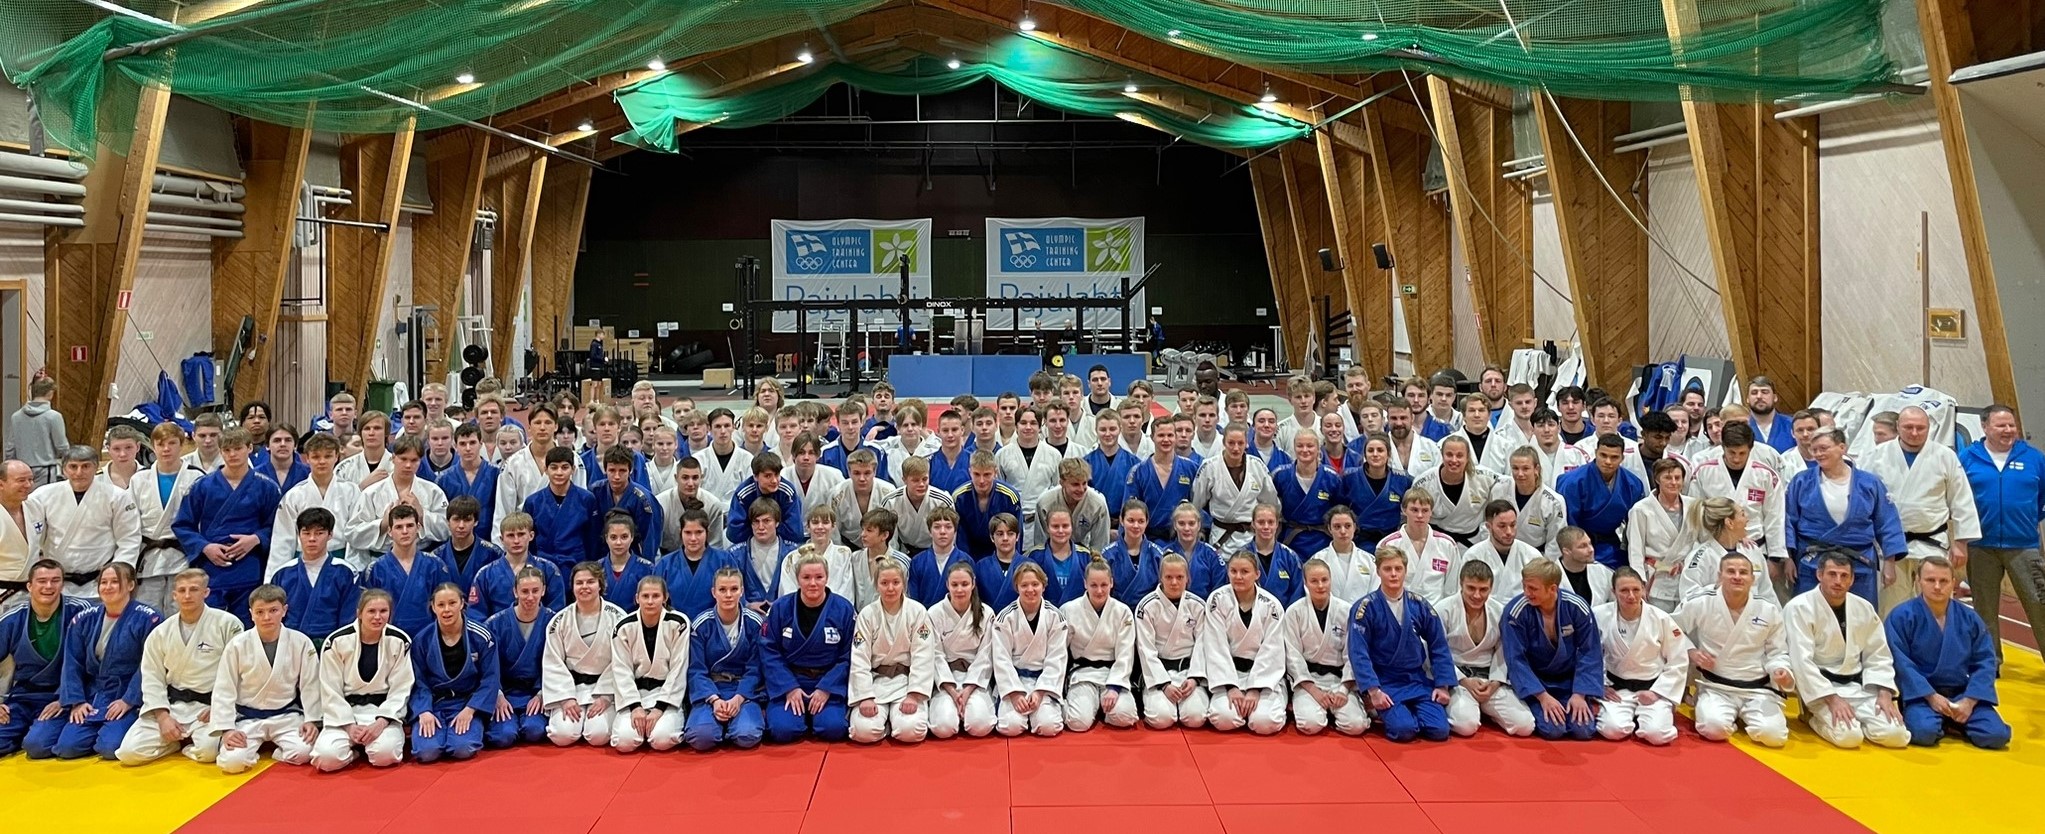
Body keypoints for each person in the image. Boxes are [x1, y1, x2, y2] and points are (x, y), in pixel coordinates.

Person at [113, 569, 242, 765]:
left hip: (209, 708)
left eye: (194, 589)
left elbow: (238, 671)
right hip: (172, 706)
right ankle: (173, 742)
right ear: (174, 595)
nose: (187, 595)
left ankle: (187, 745)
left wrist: (220, 706)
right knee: (129, 753)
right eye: (182, 590)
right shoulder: (160, 633)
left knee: (207, 753)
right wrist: (163, 717)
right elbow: (152, 678)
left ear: (206, 592)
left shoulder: (228, 624)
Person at [1781, 552, 1909, 749]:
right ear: (1819, 575)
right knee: (1849, 737)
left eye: (1844, 576)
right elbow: (1801, 661)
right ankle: (1811, 716)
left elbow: (1878, 655)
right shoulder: (1798, 607)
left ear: (1852, 580)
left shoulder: (1863, 608)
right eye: (1832, 574)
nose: (1838, 581)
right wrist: (1832, 699)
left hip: (1859, 688)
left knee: (1897, 735)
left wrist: (1884, 694)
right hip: (1822, 690)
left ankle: (1858, 720)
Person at [1859, 408, 1979, 615]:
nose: (1914, 432)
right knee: (1891, 608)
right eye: (1908, 427)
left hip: (1933, 543)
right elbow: (1863, 500)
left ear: (1928, 428)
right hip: (1890, 547)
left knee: (1937, 604)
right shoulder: (1876, 456)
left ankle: (1936, 637)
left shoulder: (1945, 456)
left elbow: (1961, 499)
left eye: (1920, 428)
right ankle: (1893, 638)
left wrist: (1961, 543)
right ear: (1898, 427)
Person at [1885, 556, 2009, 748]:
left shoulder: (1970, 618)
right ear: (1918, 581)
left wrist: (1970, 701)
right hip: (1922, 695)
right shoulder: (1901, 616)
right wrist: (1931, 696)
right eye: (1930, 580)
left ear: (1953, 582)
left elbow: (1985, 661)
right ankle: (1944, 720)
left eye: (1943, 581)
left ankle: (1952, 719)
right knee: (1923, 733)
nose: (1937, 586)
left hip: (1962, 693)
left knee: (1996, 735)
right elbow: (1901, 663)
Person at [1673, 552, 1793, 746]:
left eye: (1743, 572)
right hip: (1716, 686)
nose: (1737, 577)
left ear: (1753, 578)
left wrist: (1781, 670)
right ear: (1719, 576)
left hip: (1758, 689)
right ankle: (1727, 714)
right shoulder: (1701, 601)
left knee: (1774, 737)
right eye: (1731, 571)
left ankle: (1743, 715)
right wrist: (1691, 652)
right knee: (1712, 729)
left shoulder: (1768, 609)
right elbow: (1671, 629)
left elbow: (1777, 651)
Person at [49, 564, 163, 759]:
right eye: (103, 582)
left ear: (130, 585)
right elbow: (72, 664)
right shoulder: (84, 619)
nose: (108, 587)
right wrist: (77, 701)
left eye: (115, 582)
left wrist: (129, 700)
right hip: (94, 694)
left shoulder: (149, 618)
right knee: (68, 747)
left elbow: (151, 665)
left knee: (109, 748)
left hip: (127, 693)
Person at [1958, 404, 2045, 657]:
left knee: (2040, 604)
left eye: (2011, 425)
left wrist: (2028, 519)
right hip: (1980, 547)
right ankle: (1989, 662)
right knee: (1984, 610)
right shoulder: (1967, 458)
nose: (2008, 430)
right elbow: (1958, 497)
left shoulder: (2035, 458)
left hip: (2025, 546)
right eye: (2001, 425)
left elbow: (2042, 498)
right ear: (1985, 426)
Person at [209, 584, 322, 773]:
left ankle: (277, 753)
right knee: (232, 763)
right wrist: (227, 729)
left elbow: (311, 684)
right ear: (251, 614)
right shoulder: (237, 645)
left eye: (273, 610)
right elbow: (224, 688)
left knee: (306, 752)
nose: (267, 617)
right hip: (247, 718)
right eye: (260, 612)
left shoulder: (301, 642)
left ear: (284, 610)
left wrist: (312, 719)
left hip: (286, 716)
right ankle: (249, 753)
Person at [173, 428, 283, 622]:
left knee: (247, 626)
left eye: (238, 449)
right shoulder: (202, 486)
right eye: (227, 450)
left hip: (250, 569)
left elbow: (278, 527)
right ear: (221, 451)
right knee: (211, 625)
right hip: (212, 569)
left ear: (249, 448)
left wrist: (256, 538)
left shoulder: (267, 487)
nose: (232, 454)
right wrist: (205, 547)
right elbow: (182, 525)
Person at [1786, 428, 1906, 604]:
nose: (1818, 454)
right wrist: (1788, 558)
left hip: (1859, 561)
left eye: (1823, 448)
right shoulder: (1801, 481)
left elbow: (1887, 522)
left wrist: (1889, 562)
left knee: (1860, 613)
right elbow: (1789, 521)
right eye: (1814, 449)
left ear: (1842, 448)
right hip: (1813, 562)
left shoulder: (1869, 483)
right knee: (1809, 612)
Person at [1348, 549, 1454, 741]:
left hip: (1416, 679)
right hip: (1385, 682)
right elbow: (1358, 653)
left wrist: (1443, 684)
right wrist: (1373, 691)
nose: (1393, 574)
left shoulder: (1419, 605)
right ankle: (1385, 711)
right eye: (1387, 569)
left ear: (1406, 571)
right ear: (1378, 571)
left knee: (1439, 730)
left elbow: (1438, 645)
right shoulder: (1365, 608)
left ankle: (1410, 713)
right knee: (1404, 730)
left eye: (1398, 568)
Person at [1499, 559, 1602, 740]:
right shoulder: (1515, 612)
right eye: (1524, 586)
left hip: (1570, 682)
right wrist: (1542, 697)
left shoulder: (1577, 607)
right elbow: (1515, 659)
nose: (1526, 593)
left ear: (1552, 588)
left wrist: (1580, 694)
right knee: (1553, 729)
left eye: (1533, 588)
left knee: (1583, 730)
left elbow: (1589, 651)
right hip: (1536, 682)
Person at [310, 590, 412, 770]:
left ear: (390, 613)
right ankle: (355, 753)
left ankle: (368, 746)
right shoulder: (337, 641)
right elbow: (330, 688)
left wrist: (381, 722)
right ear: (359, 613)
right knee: (326, 759)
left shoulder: (399, 641)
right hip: (346, 712)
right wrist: (349, 726)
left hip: (382, 712)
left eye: (383, 611)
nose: (377, 617)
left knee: (385, 755)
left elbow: (401, 688)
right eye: (371, 611)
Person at [1687, 423, 1790, 600]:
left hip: (1756, 548)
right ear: (1723, 448)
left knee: (1759, 599)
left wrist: (1775, 558)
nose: (1736, 458)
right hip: (1714, 548)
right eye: (1732, 453)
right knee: (1716, 598)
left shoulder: (1765, 475)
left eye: (1742, 453)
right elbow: (1696, 515)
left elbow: (1775, 517)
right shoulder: (1704, 472)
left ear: (1751, 449)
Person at [25, 445, 142, 600]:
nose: (79, 472)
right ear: (64, 469)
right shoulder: (43, 495)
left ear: (96, 467)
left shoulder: (117, 496)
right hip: (57, 583)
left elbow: (129, 538)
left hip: (99, 582)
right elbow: (31, 536)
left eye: (86, 466)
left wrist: (117, 575)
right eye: (73, 467)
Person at [760, 555, 854, 743]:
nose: (813, 583)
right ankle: (800, 716)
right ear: (797, 579)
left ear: (827, 578)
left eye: (819, 577)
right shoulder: (780, 608)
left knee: (834, 729)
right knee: (782, 731)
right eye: (806, 577)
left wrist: (826, 688)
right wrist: (789, 687)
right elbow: (769, 651)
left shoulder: (843, 609)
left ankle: (817, 716)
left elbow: (848, 655)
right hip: (791, 679)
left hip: (827, 681)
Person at [1434, 561, 1534, 737]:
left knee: (1525, 725)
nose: (1477, 595)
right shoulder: (1444, 610)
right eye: (1471, 588)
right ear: (1461, 584)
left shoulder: (1499, 611)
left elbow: (1504, 650)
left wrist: (1496, 682)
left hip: (1489, 679)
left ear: (1491, 588)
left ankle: (1485, 709)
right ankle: (1471, 709)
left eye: (1483, 589)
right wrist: (1463, 680)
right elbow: (1436, 651)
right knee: (1466, 726)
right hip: (1457, 680)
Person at [0, 561, 89, 757]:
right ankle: (22, 730)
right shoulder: (13, 618)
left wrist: (68, 698)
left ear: (62, 584)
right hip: (23, 697)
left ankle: (36, 731)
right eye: (42, 581)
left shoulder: (81, 612)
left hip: (62, 696)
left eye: (55, 580)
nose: (49, 586)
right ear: (29, 586)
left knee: (37, 745)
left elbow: (91, 665)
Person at [847, 561, 939, 743]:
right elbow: (859, 658)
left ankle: (893, 721)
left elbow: (923, 655)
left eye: (896, 582)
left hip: (906, 682)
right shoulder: (867, 614)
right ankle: (886, 724)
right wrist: (865, 697)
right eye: (884, 583)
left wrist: (914, 694)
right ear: (876, 585)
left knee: (911, 731)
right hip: (875, 682)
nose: (890, 588)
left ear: (903, 583)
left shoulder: (917, 611)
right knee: (863, 732)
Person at [1593, 568, 1688, 745]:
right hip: (1618, 688)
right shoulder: (1599, 615)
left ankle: (1653, 714)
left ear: (1643, 589)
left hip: (1653, 689)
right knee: (1612, 730)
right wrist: (1600, 685)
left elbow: (1678, 660)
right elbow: (1590, 655)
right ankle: (1634, 716)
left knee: (1657, 735)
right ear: (1613, 592)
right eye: (1624, 590)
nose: (1631, 596)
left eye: (1636, 590)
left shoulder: (1661, 618)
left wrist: (1657, 692)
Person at [1197, 552, 1287, 734]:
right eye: (1233, 571)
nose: (1238, 577)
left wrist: (1255, 689)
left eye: (1245, 571)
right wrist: (1231, 687)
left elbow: (1272, 649)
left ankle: (1267, 705)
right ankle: (1238, 705)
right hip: (1230, 674)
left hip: (1263, 676)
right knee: (1224, 719)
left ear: (1257, 574)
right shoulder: (1217, 600)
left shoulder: (1271, 605)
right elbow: (1216, 646)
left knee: (1264, 723)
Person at [407, 584, 499, 762]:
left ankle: (473, 727)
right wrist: (424, 711)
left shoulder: (482, 636)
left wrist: (471, 710)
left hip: (467, 703)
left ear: (462, 603)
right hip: (435, 704)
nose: (447, 610)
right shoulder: (422, 640)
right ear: (433, 607)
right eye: (441, 605)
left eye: (452, 603)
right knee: (427, 753)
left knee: (462, 749)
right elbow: (418, 681)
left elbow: (490, 679)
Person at [540, 563, 624, 747]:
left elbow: (623, 660)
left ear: (600, 585)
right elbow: (553, 661)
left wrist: (606, 696)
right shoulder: (559, 621)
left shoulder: (618, 617)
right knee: (561, 735)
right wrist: (566, 698)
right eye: (579, 583)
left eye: (590, 582)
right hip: (572, 688)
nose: (584, 587)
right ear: (572, 587)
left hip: (605, 688)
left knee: (598, 736)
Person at [682, 568, 765, 751]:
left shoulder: (754, 622)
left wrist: (739, 698)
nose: (728, 595)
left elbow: (756, 668)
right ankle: (715, 722)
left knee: (747, 736)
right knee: (701, 738)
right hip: (712, 689)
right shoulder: (701, 624)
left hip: (743, 691)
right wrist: (714, 700)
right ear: (714, 592)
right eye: (722, 590)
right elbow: (696, 670)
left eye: (734, 589)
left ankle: (739, 721)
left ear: (742, 591)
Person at [1282, 559, 1367, 736]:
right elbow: (1293, 656)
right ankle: (1319, 710)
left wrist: (1343, 690)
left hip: (1339, 680)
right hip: (1309, 680)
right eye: (1314, 581)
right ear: (1305, 583)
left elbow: (1353, 654)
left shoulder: (1346, 610)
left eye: (1324, 580)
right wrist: (1314, 690)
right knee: (1310, 725)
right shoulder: (1294, 612)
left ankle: (1337, 712)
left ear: (1331, 580)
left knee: (1356, 726)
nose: (1320, 586)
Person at [606, 576, 689, 753]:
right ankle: (640, 723)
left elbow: (679, 668)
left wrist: (659, 708)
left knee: (661, 740)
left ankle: (667, 719)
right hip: (636, 693)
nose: (650, 601)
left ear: (665, 597)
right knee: (624, 742)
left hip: (666, 694)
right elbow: (621, 670)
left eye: (656, 596)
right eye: (645, 596)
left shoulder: (678, 623)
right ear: (637, 598)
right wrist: (635, 707)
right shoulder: (623, 627)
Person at [1056, 559, 1136, 732]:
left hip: (1112, 674)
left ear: (1111, 583)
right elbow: (1059, 652)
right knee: (1078, 723)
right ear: (1085, 583)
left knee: (1125, 716)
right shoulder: (1068, 610)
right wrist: (1057, 689)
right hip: (1082, 674)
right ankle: (1082, 706)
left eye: (1104, 585)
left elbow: (1126, 654)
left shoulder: (1122, 612)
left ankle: (1100, 706)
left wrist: (1114, 688)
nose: (1099, 591)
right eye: (1093, 585)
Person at [990, 562, 1069, 737]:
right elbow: (1001, 659)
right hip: (1015, 680)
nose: (1030, 590)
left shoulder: (1055, 617)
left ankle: (1040, 711)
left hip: (1043, 681)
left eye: (1035, 584)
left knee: (1049, 727)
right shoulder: (1005, 617)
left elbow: (1057, 658)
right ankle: (1018, 711)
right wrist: (1015, 694)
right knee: (1010, 727)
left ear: (1043, 586)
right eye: (1024, 585)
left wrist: (1040, 691)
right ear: (1016, 587)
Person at [130, 425, 201, 610]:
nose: (166, 449)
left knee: (182, 611)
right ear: (153, 446)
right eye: (160, 444)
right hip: (149, 558)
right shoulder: (139, 479)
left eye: (172, 443)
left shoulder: (196, 477)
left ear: (182, 445)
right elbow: (130, 523)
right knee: (147, 612)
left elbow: (203, 522)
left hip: (183, 555)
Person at [361, 505, 457, 639]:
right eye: (399, 527)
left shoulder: (436, 565)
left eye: (410, 526)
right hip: (389, 639)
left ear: (418, 527)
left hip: (429, 637)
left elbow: (447, 605)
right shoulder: (375, 570)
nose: (405, 531)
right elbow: (367, 612)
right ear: (389, 531)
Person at [483, 568, 552, 749]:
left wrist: (543, 693)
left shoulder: (554, 622)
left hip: (537, 691)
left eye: (535, 591)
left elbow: (559, 663)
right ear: (515, 592)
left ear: (543, 590)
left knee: (534, 731)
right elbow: (487, 666)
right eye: (524, 591)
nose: (530, 597)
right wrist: (497, 695)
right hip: (504, 693)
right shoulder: (494, 624)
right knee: (503, 737)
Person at [927, 561, 997, 739]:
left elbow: (985, 656)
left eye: (965, 584)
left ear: (973, 584)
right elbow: (935, 655)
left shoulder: (986, 613)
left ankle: (966, 710)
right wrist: (952, 690)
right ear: (947, 585)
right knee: (943, 727)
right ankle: (954, 712)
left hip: (975, 679)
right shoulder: (934, 613)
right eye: (955, 584)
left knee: (979, 726)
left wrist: (967, 690)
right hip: (946, 678)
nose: (959, 590)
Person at [1192, 425, 1279, 553]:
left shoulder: (1257, 466)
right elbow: (1195, 505)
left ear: (1247, 443)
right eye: (1231, 443)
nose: (1236, 448)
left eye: (1240, 443)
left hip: (1251, 537)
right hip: (1221, 538)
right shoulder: (1209, 467)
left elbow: (1271, 504)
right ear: (1224, 443)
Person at [1627, 459, 1698, 612]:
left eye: (1677, 478)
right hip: (1658, 578)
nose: (1674, 482)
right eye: (1668, 478)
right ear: (1657, 479)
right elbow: (1635, 550)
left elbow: (1704, 538)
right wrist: (1639, 583)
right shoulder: (1641, 509)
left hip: (1688, 578)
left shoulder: (1693, 506)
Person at [1679, 498, 1775, 605]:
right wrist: (1716, 588)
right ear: (1729, 523)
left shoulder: (1752, 551)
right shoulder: (1701, 557)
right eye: (1742, 514)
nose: (1747, 519)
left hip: (1753, 614)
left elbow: (1767, 593)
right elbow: (1687, 598)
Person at [468, 512, 563, 619]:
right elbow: (476, 615)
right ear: (502, 539)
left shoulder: (549, 570)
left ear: (531, 536)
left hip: (540, 628)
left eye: (521, 534)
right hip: (498, 629)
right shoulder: (486, 574)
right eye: (510, 535)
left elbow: (557, 613)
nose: (516, 541)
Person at [523, 447, 602, 572]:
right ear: (546, 470)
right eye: (554, 467)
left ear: (573, 470)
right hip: (542, 566)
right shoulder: (532, 502)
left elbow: (593, 540)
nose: (559, 473)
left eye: (565, 467)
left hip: (577, 566)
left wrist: (589, 568)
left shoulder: (587, 499)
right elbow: (527, 540)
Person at [1375, 492, 1459, 602]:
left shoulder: (1447, 544)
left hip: (1437, 608)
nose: (1420, 515)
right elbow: (1381, 585)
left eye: (1425, 510)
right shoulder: (1388, 544)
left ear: (1431, 512)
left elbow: (1452, 589)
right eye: (1414, 510)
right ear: (1404, 510)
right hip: (1399, 606)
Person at [1412, 436, 1493, 548]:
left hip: (1473, 542)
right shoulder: (1424, 483)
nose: (1454, 460)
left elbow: (1506, 483)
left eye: (1459, 455)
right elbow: (1413, 515)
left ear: (1467, 457)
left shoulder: (1485, 478)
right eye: (1449, 455)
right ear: (1442, 455)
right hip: (1435, 542)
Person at [1275, 432, 1344, 558]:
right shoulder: (1280, 475)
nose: (1305, 450)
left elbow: (1340, 511)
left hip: (1323, 541)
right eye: (1300, 446)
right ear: (1294, 448)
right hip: (1291, 540)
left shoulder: (1332, 478)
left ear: (1318, 448)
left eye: (1310, 446)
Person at [1491, 447, 1568, 558]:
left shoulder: (1554, 502)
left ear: (1536, 469)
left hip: (1536, 557)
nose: (1520, 474)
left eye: (1525, 468)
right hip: (1500, 552)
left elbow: (1555, 543)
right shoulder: (1500, 489)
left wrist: (1544, 565)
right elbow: (1488, 523)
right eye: (1515, 468)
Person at [1450, 500, 1541, 594]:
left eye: (1513, 525)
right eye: (1502, 526)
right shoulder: (1473, 556)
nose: (1509, 532)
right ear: (1488, 527)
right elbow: (1464, 594)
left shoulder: (1532, 555)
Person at [436, 424, 502, 543]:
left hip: (490, 540)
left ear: (481, 443)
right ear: (455, 446)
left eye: (472, 443)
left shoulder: (497, 474)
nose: (468, 448)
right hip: (456, 541)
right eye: (462, 444)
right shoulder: (443, 479)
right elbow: (441, 516)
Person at [6, 378, 68, 486]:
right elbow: (62, 447)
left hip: (22, 470)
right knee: (45, 496)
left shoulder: (16, 417)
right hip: (46, 469)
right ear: (50, 393)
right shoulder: (54, 417)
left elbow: (10, 448)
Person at [1, 462, 38, 617]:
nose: (28, 485)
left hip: (32, 593)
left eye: (30, 479)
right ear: (1, 484)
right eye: (21, 480)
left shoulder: (35, 507)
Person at [1556, 527, 1615, 606]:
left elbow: (1617, 602)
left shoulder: (1602, 571)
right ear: (1566, 551)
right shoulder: (1550, 577)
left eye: (1590, 543)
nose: (1591, 549)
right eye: (1583, 546)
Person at [1746, 377, 1797, 454]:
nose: (1759, 396)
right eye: (1754, 393)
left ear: (1775, 397)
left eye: (1765, 392)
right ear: (1747, 399)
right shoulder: (1741, 427)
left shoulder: (1792, 425)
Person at [253, 425, 309, 493]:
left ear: (295, 446)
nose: (283, 444)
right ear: (267, 446)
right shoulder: (255, 475)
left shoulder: (308, 473)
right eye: (277, 440)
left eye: (288, 440)